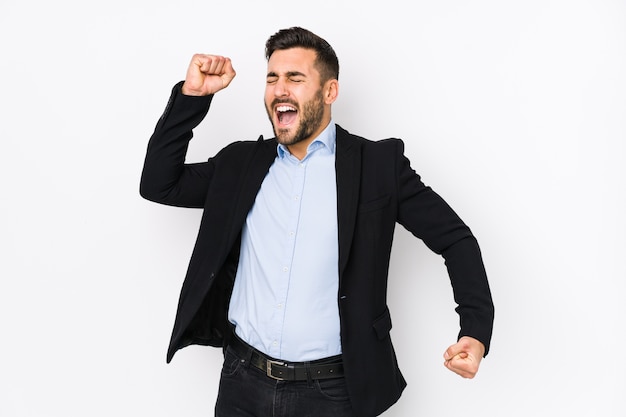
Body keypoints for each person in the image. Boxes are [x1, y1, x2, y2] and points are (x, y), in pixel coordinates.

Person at [140, 26, 494, 417]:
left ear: (329, 92)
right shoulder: (240, 164)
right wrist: (193, 97)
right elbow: (159, 184)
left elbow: (455, 240)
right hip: (242, 381)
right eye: (272, 78)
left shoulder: (377, 168)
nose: (279, 89)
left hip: (331, 393)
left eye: (295, 78)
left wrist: (474, 331)